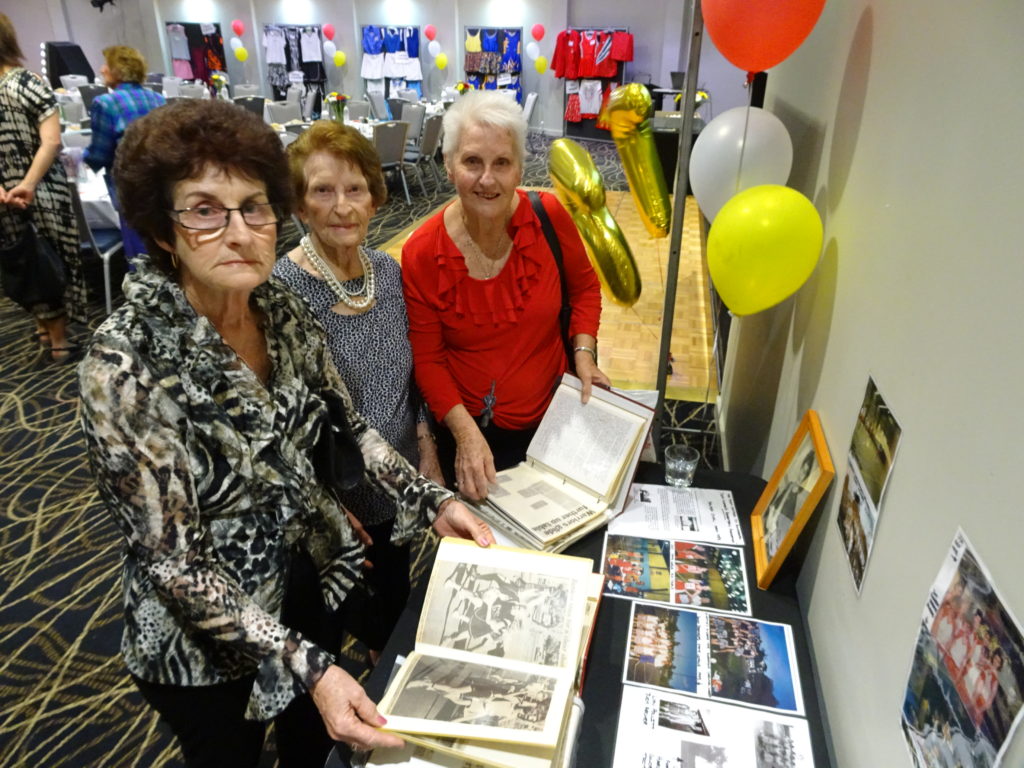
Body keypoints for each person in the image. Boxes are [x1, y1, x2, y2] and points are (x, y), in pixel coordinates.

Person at [77, 99, 492, 768]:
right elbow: (176, 565)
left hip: (302, 586)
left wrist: (433, 500)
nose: (239, 232)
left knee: (312, 751)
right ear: (162, 228)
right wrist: (312, 665)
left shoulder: (281, 309)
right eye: (207, 210)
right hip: (201, 648)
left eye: (254, 206)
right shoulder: (125, 364)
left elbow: (348, 427)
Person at [273, 121, 442, 655]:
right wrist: (322, 503)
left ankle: (384, 656)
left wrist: (427, 446)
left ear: (375, 198)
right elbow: (283, 414)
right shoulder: (284, 289)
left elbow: (411, 373)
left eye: (355, 189)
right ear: (300, 206)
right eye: (322, 191)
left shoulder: (389, 272)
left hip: (400, 473)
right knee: (337, 611)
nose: (342, 205)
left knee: (394, 587)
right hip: (337, 493)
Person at [402, 90, 610, 500]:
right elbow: (428, 358)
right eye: (472, 162)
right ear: (448, 166)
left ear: (518, 169)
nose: (487, 179)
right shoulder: (423, 252)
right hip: (467, 435)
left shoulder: (548, 216)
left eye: (502, 163)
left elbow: (585, 287)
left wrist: (584, 354)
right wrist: (464, 435)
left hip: (555, 418)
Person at [0, 13, 86, 361]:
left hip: (4, 197)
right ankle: (60, 341)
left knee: (22, 261)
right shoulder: (28, 83)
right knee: (51, 260)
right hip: (41, 190)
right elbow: (51, 142)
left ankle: (41, 328)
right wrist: (29, 185)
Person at [82, 45, 165, 260]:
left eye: (106, 65)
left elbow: (99, 155)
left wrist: (78, 160)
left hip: (129, 189)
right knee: (163, 246)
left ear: (118, 69)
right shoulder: (158, 99)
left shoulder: (105, 103)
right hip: (161, 184)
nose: (101, 70)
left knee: (140, 257)